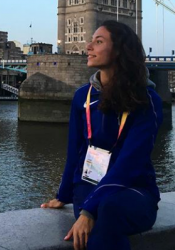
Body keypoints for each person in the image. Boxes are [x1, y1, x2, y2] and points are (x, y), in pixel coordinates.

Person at [41, 20, 163, 250]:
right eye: (91, 41)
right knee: (99, 212)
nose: (88, 47)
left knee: (106, 210)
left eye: (98, 42)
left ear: (119, 50)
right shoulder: (82, 97)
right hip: (89, 184)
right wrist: (63, 195)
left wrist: (89, 210)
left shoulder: (147, 100)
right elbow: (75, 151)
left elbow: (131, 163)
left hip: (134, 189)